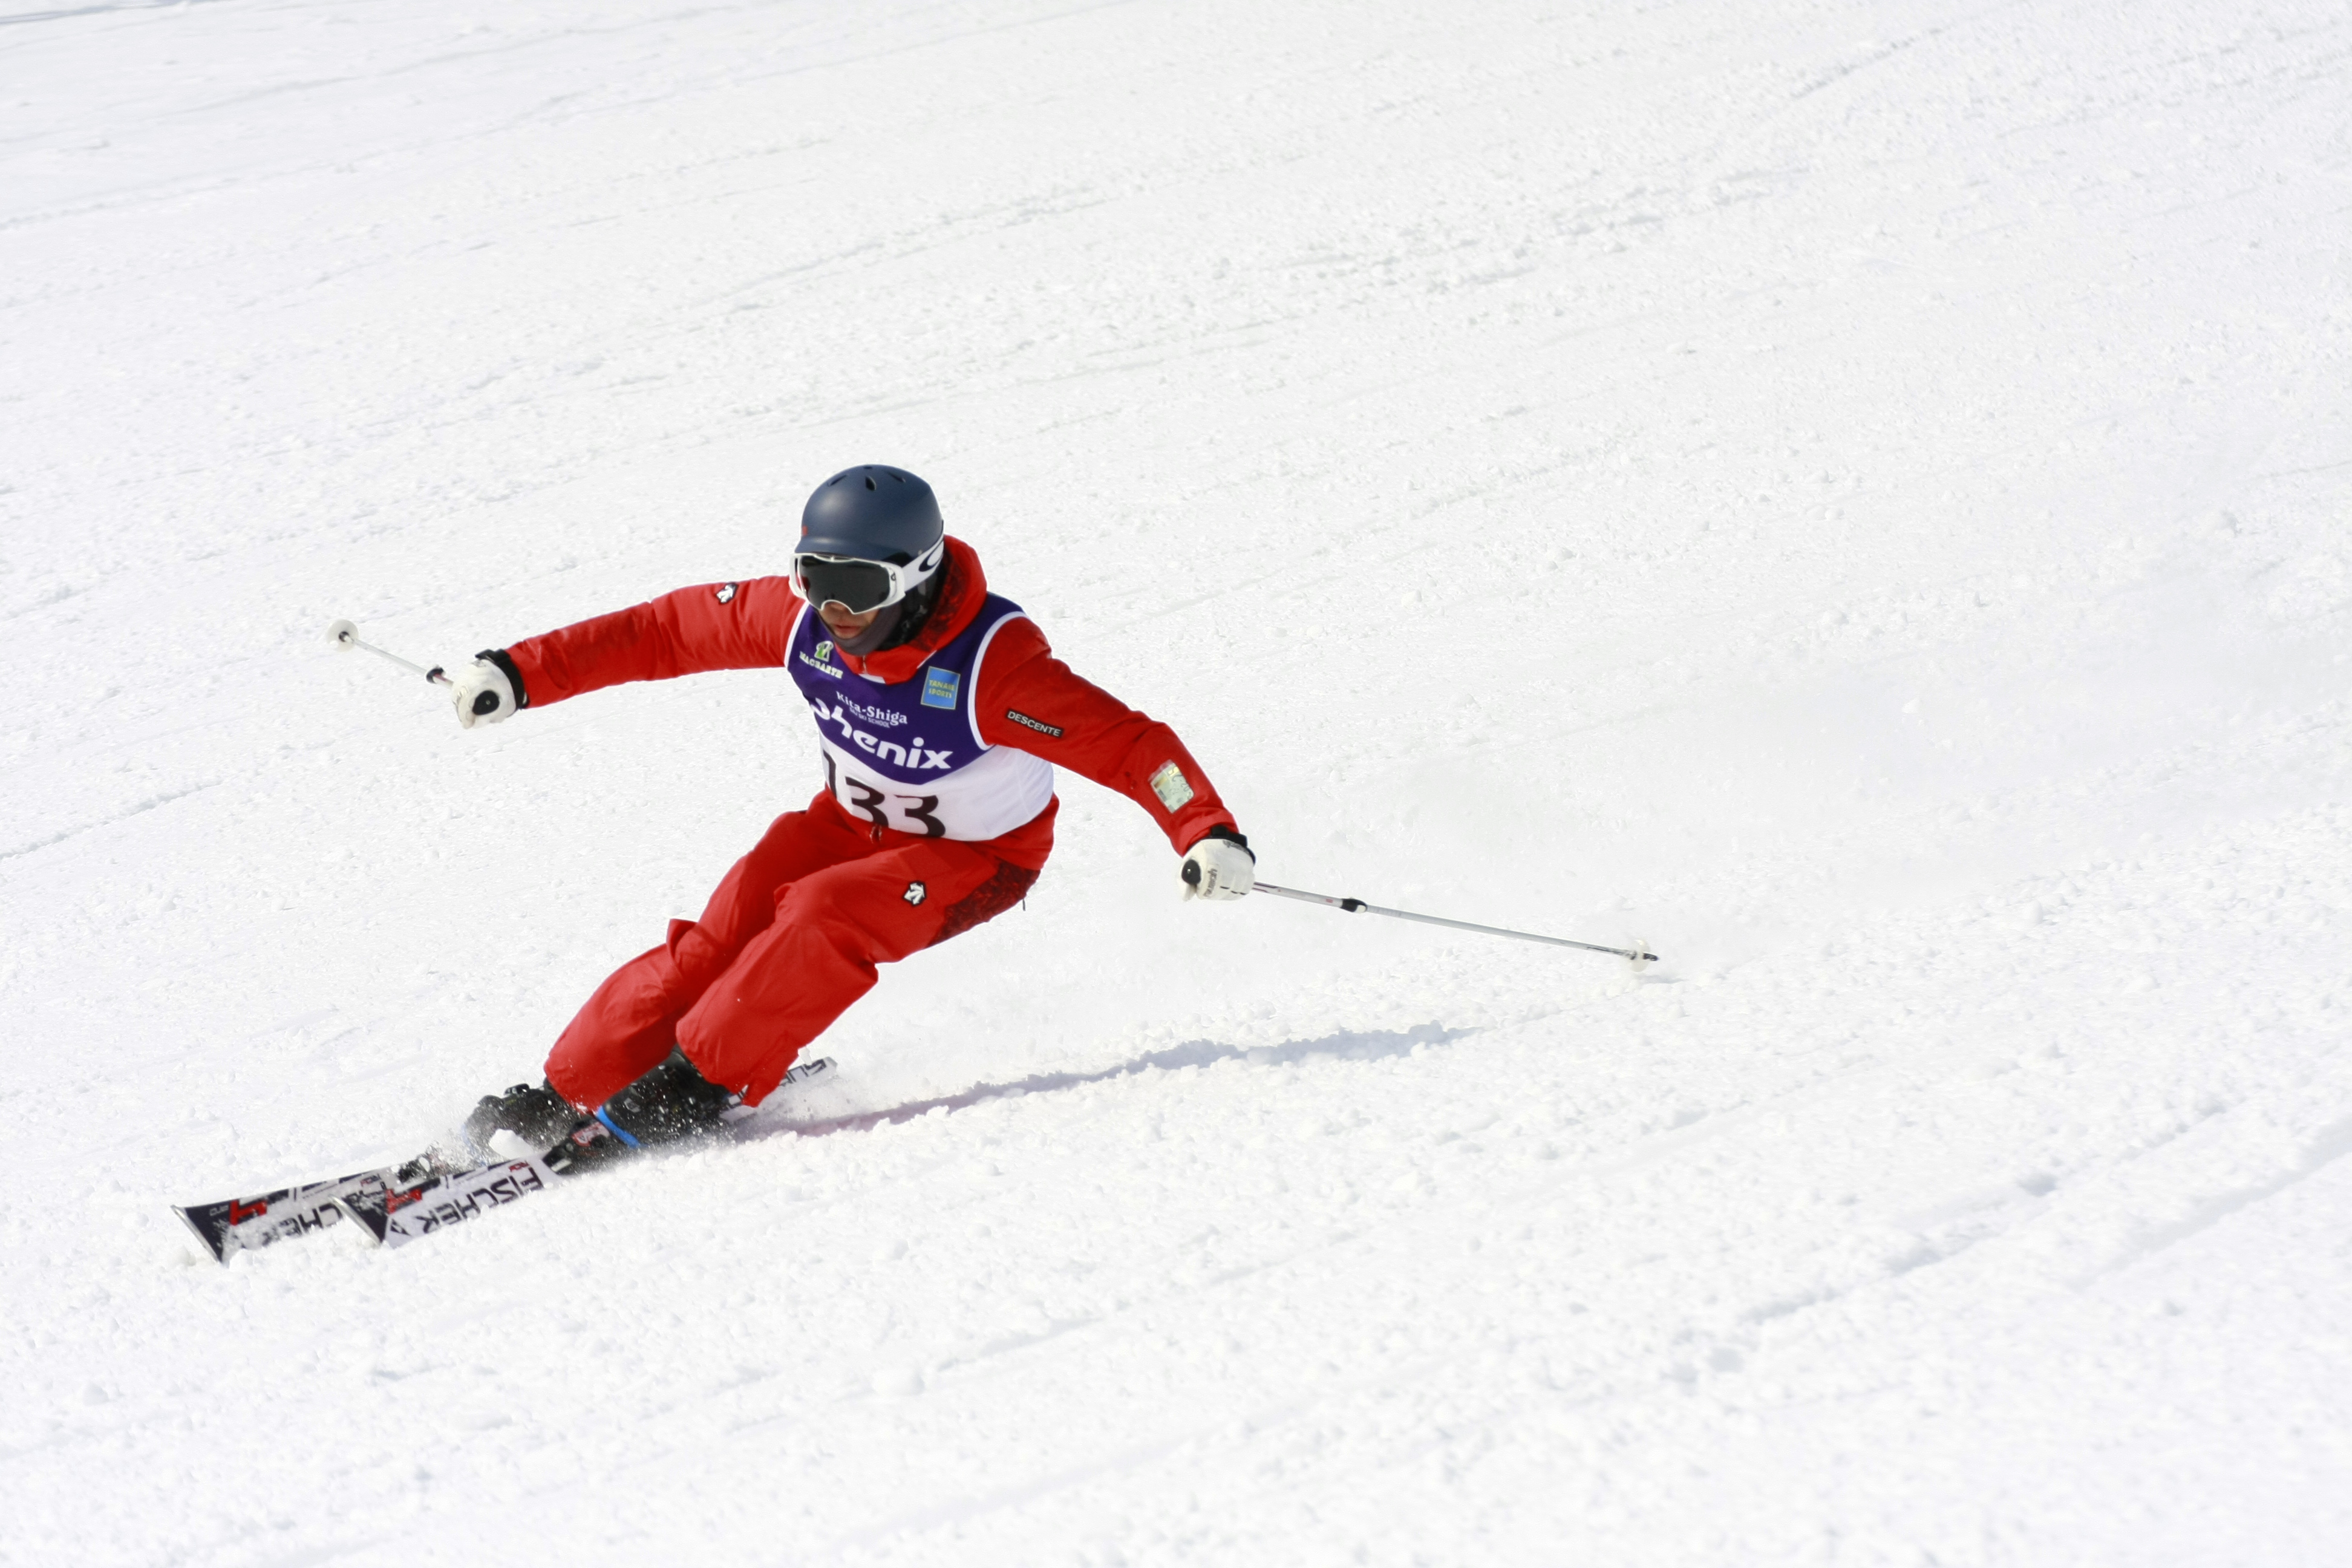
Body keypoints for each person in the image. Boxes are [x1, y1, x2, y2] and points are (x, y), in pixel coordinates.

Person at [449, 465, 1255, 1169]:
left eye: (861, 587)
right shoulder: (803, 624)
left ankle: (697, 1084)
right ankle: (570, 1089)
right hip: (846, 825)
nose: (834, 608)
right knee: (728, 927)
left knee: (821, 913)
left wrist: (1206, 831)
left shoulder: (994, 667)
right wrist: (522, 674)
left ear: (917, 576)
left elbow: (1132, 748)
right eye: (814, 578)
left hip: (973, 860)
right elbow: (663, 632)